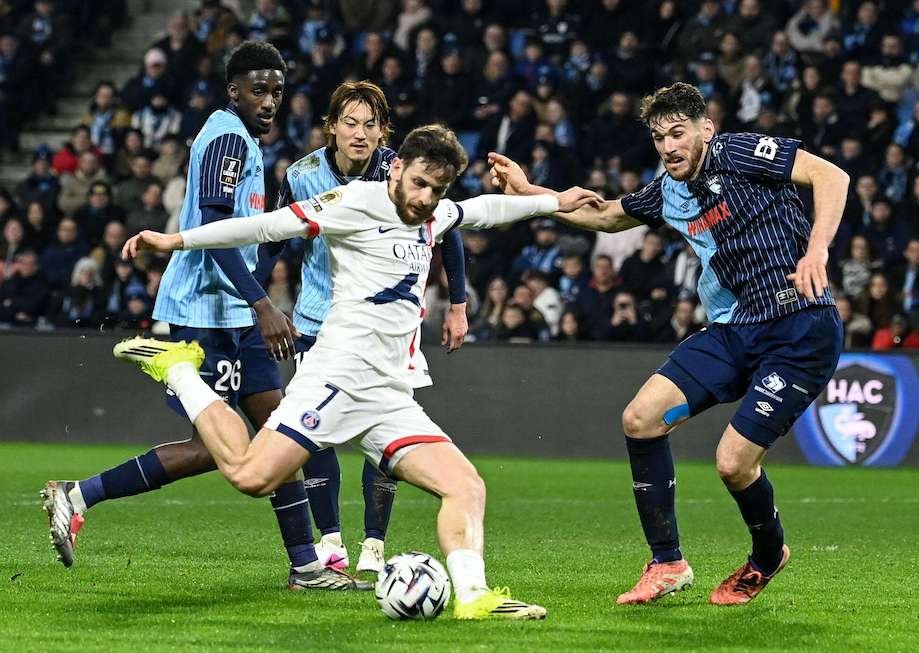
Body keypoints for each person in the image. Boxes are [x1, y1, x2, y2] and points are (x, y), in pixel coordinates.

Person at [109, 124, 598, 618]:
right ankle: (180, 371)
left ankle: (473, 597)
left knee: (466, 486)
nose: (425, 198)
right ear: (397, 168)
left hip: (388, 394)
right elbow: (265, 227)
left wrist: (553, 202)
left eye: (437, 189)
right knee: (250, 476)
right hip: (335, 379)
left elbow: (484, 211)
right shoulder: (355, 202)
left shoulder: (434, 212)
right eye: (419, 183)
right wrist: (176, 240)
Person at [489, 82, 849, 606]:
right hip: (734, 328)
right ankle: (667, 563)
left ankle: (768, 555)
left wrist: (816, 251)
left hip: (801, 327)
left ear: (707, 129)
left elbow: (831, 175)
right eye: (659, 138)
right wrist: (529, 195)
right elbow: (604, 216)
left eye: (678, 133)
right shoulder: (668, 191)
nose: (668, 146)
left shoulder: (738, 152)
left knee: (733, 464)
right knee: (640, 419)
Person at [42, 42, 350, 591]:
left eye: (277, 92)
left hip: (235, 312)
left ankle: (306, 566)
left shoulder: (243, 141)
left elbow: (243, 234)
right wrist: (263, 303)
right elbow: (212, 230)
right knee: (214, 448)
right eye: (258, 90)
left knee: (280, 432)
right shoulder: (227, 138)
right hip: (206, 311)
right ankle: (79, 494)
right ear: (234, 90)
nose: (269, 101)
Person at [269, 80, 470, 575]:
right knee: (314, 431)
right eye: (350, 123)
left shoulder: (401, 173)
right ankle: (331, 542)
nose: (360, 133)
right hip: (318, 320)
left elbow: (448, 233)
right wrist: (257, 302)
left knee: (382, 430)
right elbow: (273, 241)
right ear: (332, 127)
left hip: (387, 329)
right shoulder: (302, 175)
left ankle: (374, 546)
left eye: (371, 124)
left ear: (384, 131)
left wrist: (458, 304)